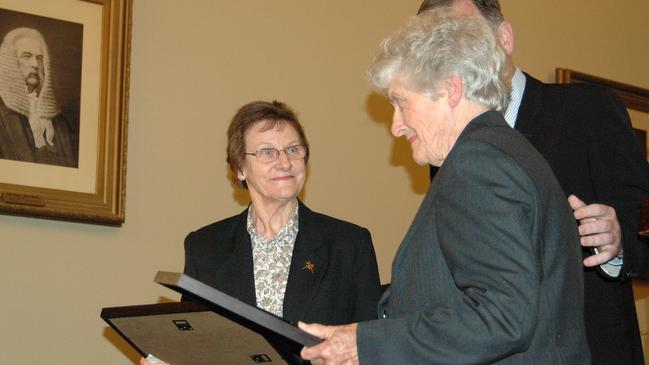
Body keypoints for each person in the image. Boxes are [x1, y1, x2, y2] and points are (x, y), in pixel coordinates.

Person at [299, 8, 590, 364]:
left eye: (401, 103)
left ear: (451, 89)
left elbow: (504, 315)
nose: (396, 126)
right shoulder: (504, 152)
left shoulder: (478, 165)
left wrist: (367, 344)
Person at [415, 1, 649, 364]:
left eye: (463, 38)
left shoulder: (588, 109)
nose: (450, 57)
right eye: (436, 48)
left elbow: (644, 226)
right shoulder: (449, 144)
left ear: (504, 38)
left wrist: (618, 245)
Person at [140, 100, 381, 365]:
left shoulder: (348, 244)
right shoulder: (205, 246)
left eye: (293, 149)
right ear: (240, 167)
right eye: (267, 152)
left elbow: (371, 348)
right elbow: (194, 345)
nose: (285, 162)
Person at [0, 27, 77, 167]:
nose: (35, 64)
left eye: (39, 58)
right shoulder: (2, 116)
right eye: (26, 56)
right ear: (11, 61)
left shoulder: (61, 124)